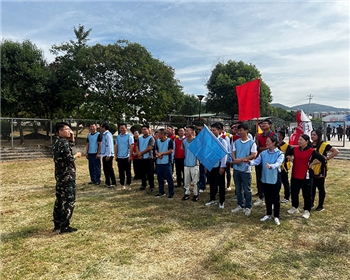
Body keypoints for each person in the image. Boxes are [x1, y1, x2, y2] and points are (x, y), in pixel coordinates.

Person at [245, 135, 284, 225]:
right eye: (266, 142)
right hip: (265, 178)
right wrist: (249, 162)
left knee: (275, 198)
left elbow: (278, 163)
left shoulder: (280, 154)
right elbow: (257, 161)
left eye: (268, 142)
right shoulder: (263, 153)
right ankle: (268, 214)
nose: (266, 143)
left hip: (274, 178)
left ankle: (276, 216)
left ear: (274, 143)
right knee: (267, 197)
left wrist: (271, 166)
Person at [285, 134, 326, 219]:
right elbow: (287, 154)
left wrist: (312, 163)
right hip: (295, 174)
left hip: (306, 175)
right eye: (299, 140)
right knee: (294, 192)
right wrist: (292, 159)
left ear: (306, 142)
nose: (299, 141)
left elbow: (322, 159)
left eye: (301, 140)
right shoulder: (295, 149)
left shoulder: (311, 151)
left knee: (307, 194)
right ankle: (294, 207)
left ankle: (307, 210)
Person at [52, 122, 81, 234]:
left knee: (60, 199)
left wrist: (72, 139)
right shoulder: (64, 143)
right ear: (60, 131)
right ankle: (65, 226)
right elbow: (68, 158)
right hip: (67, 175)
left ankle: (57, 224)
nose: (70, 131)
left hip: (59, 175)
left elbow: (67, 149)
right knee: (69, 200)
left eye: (70, 129)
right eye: (67, 129)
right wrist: (76, 156)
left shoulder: (57, 142)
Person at [230, 123, 257, 216]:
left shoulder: (251, 143)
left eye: (241, 130)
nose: (239, 132)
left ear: (246, 131)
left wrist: (241, 160)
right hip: (236, 168)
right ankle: (240, 204)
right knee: (238, 189)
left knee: (247, 189)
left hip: (246, 170)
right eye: (238, 130)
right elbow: (233, 151)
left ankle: (248, 206)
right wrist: (234, 159)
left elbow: (254, 155)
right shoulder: (236, 142)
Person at [310, 129, 339, 211]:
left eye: (314, 135)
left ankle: (320, 205)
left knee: (320, 187)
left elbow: (336, 151)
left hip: (320, 168)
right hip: (312, 168)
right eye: (311, 134)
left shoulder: (324, 144)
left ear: (318, 135)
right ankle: (311, 203)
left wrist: (328, 158)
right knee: (312, 187)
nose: (312, 136)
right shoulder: (311, 145)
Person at [254, 119, 278, 206]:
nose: (263, 125)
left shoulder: (273, 135)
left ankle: (269, 197)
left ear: (270, 125)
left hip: (270, 160)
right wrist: (256, 140)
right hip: (260, 159)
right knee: (259, 178)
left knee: (268, 179)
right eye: (262, 123)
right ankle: (261, 195)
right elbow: (256, 147)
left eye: (265, 123)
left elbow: (275, 146)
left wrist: (262, 148)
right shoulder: (259, 135)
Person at [205, 122, 228, 209]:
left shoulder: (223, 141)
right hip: (211, 165)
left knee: (221, 184)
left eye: (214, 130)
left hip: (219, 166)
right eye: (211, 130)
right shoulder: (209, 141)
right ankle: (212, 199)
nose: (212, 132)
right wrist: (206, 164)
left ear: (219, 131)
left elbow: (224, 155)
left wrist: (222, 166)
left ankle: (221, 201)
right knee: (212, 183)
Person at [154, 128, 174, 199]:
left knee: (169, 178)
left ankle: (171, 193)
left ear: (163, 134)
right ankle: (161, 192)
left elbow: (170, 150)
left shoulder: (169, 141)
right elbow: (155, 150)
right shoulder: (157, 141)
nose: (157, 134)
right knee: (159, 178)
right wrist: (158, 154)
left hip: (166, 162)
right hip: (159, 163)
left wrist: (162, 153)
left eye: (159, 133)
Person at [181, 126, 200, 201]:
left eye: (188, 131)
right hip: (186, 163)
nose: (186, 132)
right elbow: (183, 150)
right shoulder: (184, 141)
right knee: (186, 180)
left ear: (192, 132)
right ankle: (187, 193)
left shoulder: (197, 141)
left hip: (195, 164)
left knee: (196, 180)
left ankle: (196, 194)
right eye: (186, 131)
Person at [137, 124, 155, 193]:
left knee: (150, 173)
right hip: (141, 158)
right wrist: (139, 153)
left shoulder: (151, 138)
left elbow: (150, 147)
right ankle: (143, 185)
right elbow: (137, 146)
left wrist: (141, 153)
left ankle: (151, 186)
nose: (144, 130)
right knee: (142, 173)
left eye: (145, 129)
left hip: (148, 158)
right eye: (143, 129)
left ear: (148, 130)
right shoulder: (140, 138)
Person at [115, 123, 134, 190]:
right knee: (121, 172)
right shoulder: (118, 137)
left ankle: (128, 184)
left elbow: (131, 146)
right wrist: (115, 155)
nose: (122, 129)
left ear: (126, 128)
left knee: (128, 172)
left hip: (127, 156)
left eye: (123, 128)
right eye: (121, 128)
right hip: (120, 156)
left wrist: (130, 156)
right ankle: (121, 184)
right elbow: (116, 146)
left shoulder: (129, 136)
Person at [100, 123, 117, 188]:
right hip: (104, 154)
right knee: (105, 169)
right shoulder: (104, 135)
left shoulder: (108, 135)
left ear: (104, 128)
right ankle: (107, 182)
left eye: (101, 127)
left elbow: (110, 145)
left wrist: (109, 155)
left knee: (109, 169)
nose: (100, 128)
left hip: (108, 154)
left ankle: (113, 182)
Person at [278, 130, 292, 203]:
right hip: (277, 166)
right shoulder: (275, 145)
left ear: (281, 136)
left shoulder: (286, 146)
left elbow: (289, 155)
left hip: (284, 166)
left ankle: (287, 196)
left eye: (278, 134)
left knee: (285, 181)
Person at [196, 123, 207, 192]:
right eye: (197, 129)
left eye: (199, 129)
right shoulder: (196, 137)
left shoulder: (206, 138)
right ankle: (199, 185)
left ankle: (203, 186)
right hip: (198, 157)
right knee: (199, 172)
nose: (198, 130)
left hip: (205, 157)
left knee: (203, 173)